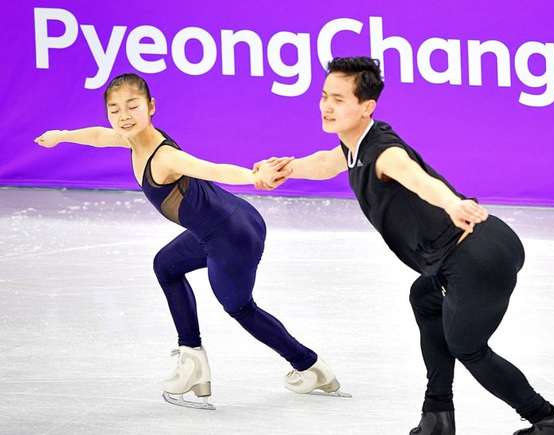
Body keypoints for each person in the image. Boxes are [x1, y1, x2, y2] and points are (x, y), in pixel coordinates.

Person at [254, 57, 554, 434]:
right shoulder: (354, 147)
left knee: (468, 348)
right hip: (466, 251)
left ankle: (548, 421)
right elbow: (327, 163)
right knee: (424, 297)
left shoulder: (384, 152)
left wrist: (453, 204)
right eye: (325, 96)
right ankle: (437, 415)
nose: (327, 106)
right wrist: (285, 168)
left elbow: (417, 178)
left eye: (339, 99)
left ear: (366, 106)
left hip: (474, 254)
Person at [34, 73, 348, 410]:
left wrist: (253, 176)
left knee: (240, 307)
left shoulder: (163, 157)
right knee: (166, 265)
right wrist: (62, 136)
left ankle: (310, 366)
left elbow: (211, 169)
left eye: (132, 106)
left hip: (233, 236)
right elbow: (98, 136)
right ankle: (192, 358)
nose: (123, 115)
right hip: (227, 223)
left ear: (150, 107)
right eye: (114, 109)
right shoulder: (132, 139)